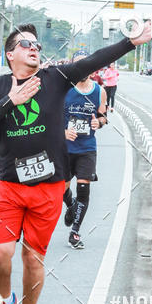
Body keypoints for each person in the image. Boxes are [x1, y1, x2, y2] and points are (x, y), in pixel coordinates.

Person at [0, 20, 152, 304]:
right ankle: (4, 299)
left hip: (48, 188)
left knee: (32, 259)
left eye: (36, 45)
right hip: (10, 187)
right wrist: (12, 100)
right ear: (10, 54)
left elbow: (92, 61)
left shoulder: (54, 78)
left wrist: (131, 42)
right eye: (26, 45)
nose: (34, 48)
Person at [63, 56, 107, 249]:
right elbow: (50, 117)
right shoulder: (63, 89)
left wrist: (100, 122)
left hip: (87, 148)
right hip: (64, 148)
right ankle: (70, 204)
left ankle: (75, 232)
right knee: (61, 190)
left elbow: (102, 116)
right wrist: (63, 132)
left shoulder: (99, 91)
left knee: (84, 189)